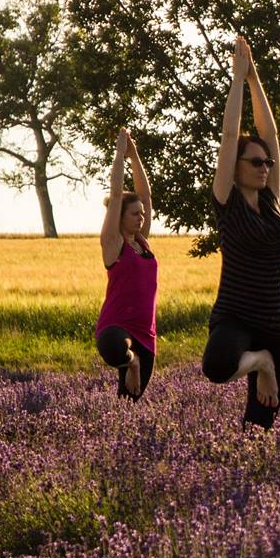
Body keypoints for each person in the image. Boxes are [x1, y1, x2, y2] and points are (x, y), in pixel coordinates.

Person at [202, 35, 280, 426]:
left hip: (276, 323)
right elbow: (228, 138)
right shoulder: (228, 201)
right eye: (255, 161)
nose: (264, 167)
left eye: (267, 163)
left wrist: (256, 80)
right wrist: (237, 81)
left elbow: (270, 136)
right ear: (236, 167)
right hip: (235, 318)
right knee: (217, 366)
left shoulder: (271, 201)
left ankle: (252, 486)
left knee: (260, 428)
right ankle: (260, 362)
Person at [95, 129, 159, 401]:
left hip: (146, 334)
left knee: (129, 403)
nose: (141, 218)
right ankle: (130, 362)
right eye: (135, 214)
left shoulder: (143, 243)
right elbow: (117, 193)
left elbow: (145, 195)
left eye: (142, 215)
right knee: (114, 347)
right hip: (116, 328)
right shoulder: (114, 243)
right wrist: (120, 155)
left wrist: (134, 155)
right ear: (119, 215)